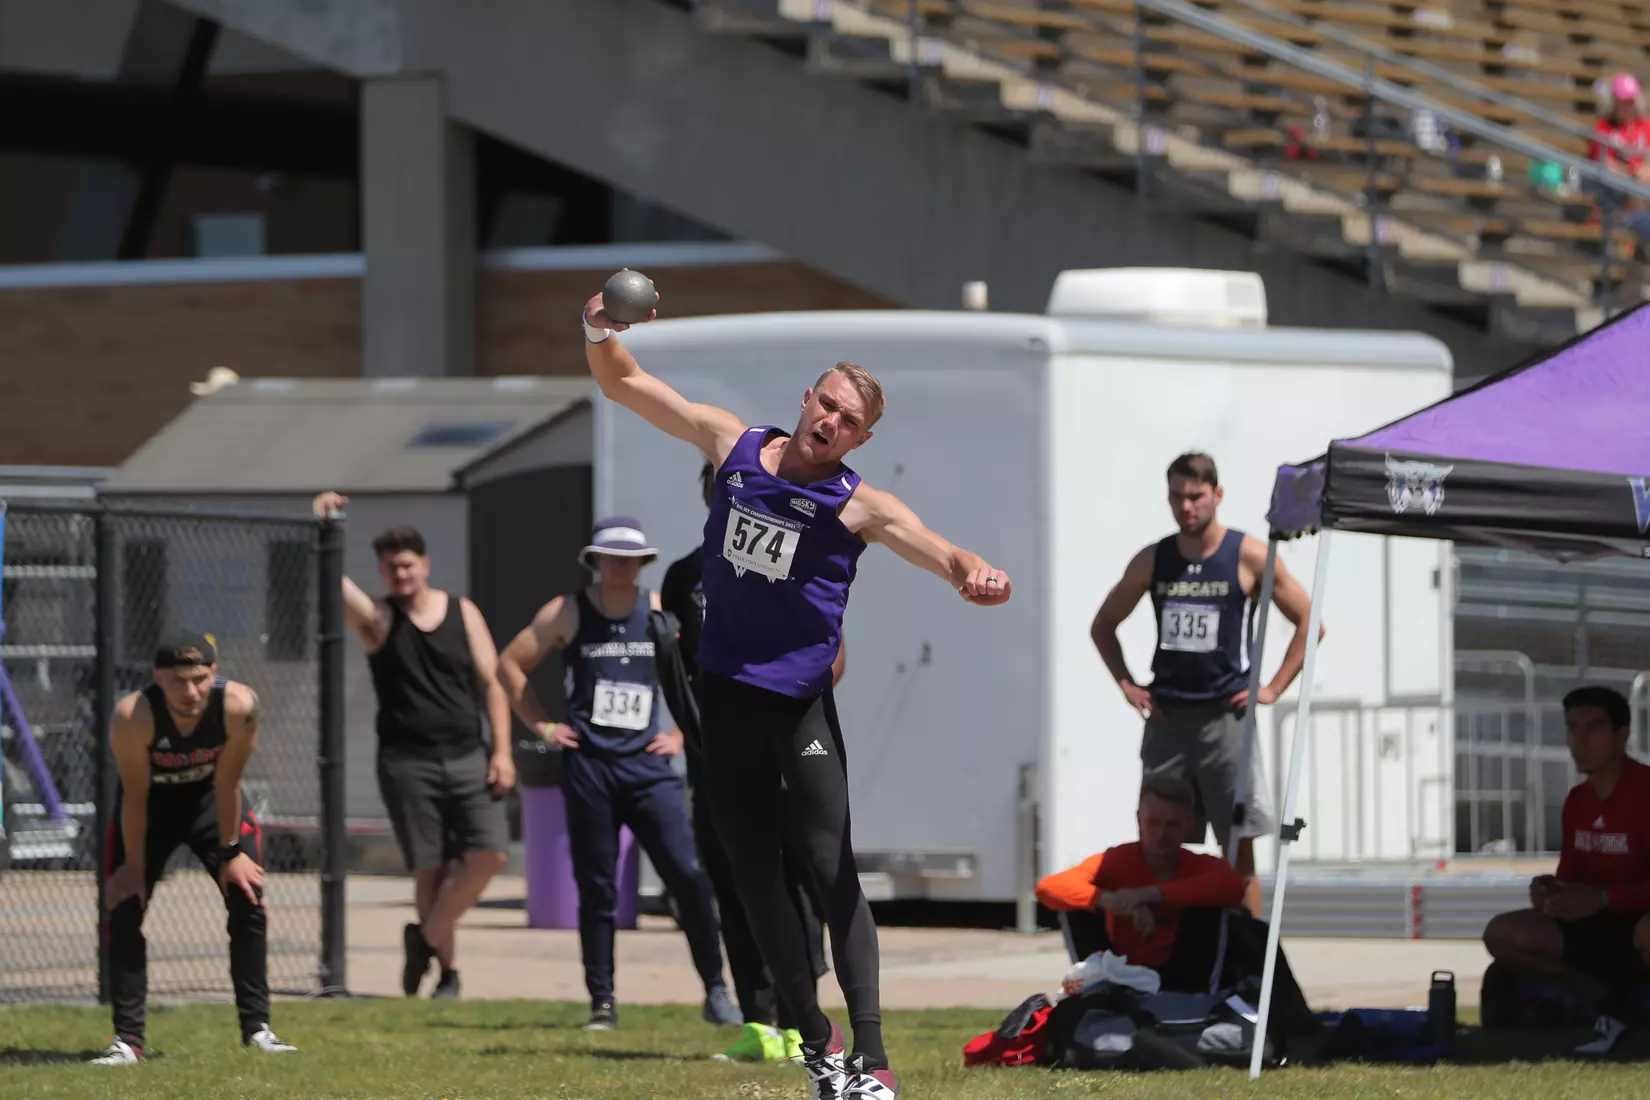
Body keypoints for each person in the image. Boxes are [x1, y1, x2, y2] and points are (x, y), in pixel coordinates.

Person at [581, 275, 1013, 1100]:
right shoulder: (732, 445)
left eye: (849, 421)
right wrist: (598, 328)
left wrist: (974, 574)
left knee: (826, 866)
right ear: (806, 397)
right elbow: (625, 383)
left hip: (800, 709)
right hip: (727, 704)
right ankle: (818, 1048)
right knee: (752, 877)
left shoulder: (859, 506)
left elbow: (938, 549)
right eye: (827, 405)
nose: (830, 423)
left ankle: (874, 1058)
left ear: (862, 437)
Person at [498, 517, 740, 1032]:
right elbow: (509, 665)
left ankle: (717, 990)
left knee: (689, 877)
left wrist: (678, 735)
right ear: (595, 560)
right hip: (590, 768)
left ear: (643, 563)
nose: (620, 566)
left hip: (648, 769)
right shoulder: (567, 611)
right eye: (611, 557)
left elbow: (698, 673)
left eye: (630, 558)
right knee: (598, 888)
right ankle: (601, 1002)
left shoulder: (657, 613)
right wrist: (542, 726)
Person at [1090, 452, 1322, 918]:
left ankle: (1248, 959)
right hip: (1168, 721)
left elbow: (1310, 622)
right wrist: (1127, 685)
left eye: (1195, 496)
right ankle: (1171, 951)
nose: (1186, 507)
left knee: (1237, 849)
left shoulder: (1249, 555)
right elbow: (1103, 625)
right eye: (1176, 497)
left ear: (1217, 495)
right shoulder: (1156, 559)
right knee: (1161, 845)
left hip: (1225, 722)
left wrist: (1272, 687)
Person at [660, 460, 836, 1064]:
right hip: (714, 752)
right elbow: (676, 665)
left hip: (781, 748)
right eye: (717, 489)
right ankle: (758, 1022)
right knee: (733, 880)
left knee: (793, 878)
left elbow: (834, 654)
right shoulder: (685, 575)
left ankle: (801, 1021)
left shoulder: (791, 555)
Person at [312, 492, 516, 1000]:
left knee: (488, 854)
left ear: (423, 565)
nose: (400, 575)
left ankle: (421, 940)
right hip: (407, 762)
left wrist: (503, 751)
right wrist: (325, 531)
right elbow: (338, 590)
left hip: (469, 754)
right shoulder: (379, 621)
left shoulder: (461, 611)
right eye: (389, 568)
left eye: (406, 565)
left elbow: (492, 684)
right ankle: (447, 974)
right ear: (381, 574)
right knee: (431, 869)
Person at [91, 633, 298, 1065]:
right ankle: (128, 1042)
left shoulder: (239, 707)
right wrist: (132, 867)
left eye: (201, 680)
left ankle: (257, 1028)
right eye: (179, 681)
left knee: (247, 898)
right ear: (157, 678)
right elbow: (133, 794)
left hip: (211, 801)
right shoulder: (134, 715)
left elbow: (227, 783)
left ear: (214, 675)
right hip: (150, 806)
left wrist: (230, 854)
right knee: (124, 905)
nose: (191, 693)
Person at [1483, 686, 1650, 1055]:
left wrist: (1606, 897)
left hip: (1639, 923)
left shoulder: (1645, 791)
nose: (1580, 740)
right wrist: (1549, 891)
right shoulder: (1577, 801)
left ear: (1622, 736)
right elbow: (1573, 876)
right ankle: (1614, 1007)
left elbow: (1602, 893)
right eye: (1572, 728)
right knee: (1503, 933)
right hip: (1603, 924)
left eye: (1593, 728)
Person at [1588, 73, 1650, 241]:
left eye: (1631, 101)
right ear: (1614, 102)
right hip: (1618, 190)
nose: (1628, 106)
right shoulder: (1604, 127)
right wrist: (1632, 172)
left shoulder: (1644, 125)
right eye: (1623, 101)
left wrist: (1644, 171)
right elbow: (1604, 162)